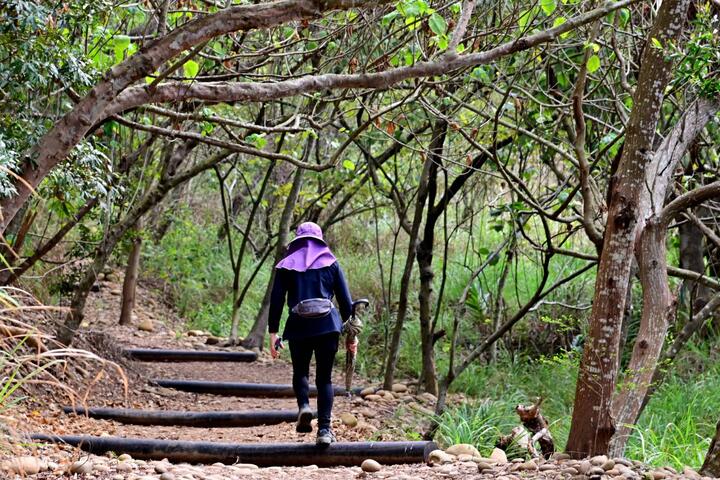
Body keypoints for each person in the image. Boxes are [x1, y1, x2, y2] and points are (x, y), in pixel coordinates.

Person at [268, 222, 353, 446]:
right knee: (324, 378)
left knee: (300, 371)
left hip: (299, 326)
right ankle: (324, 430)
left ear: (297, 240)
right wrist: (351, 332)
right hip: (328, 327)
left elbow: (276, 301)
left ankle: (304, 406)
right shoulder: (332, 263)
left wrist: (273, 333)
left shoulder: (286, 266)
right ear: (319, 240)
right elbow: (345, 302)